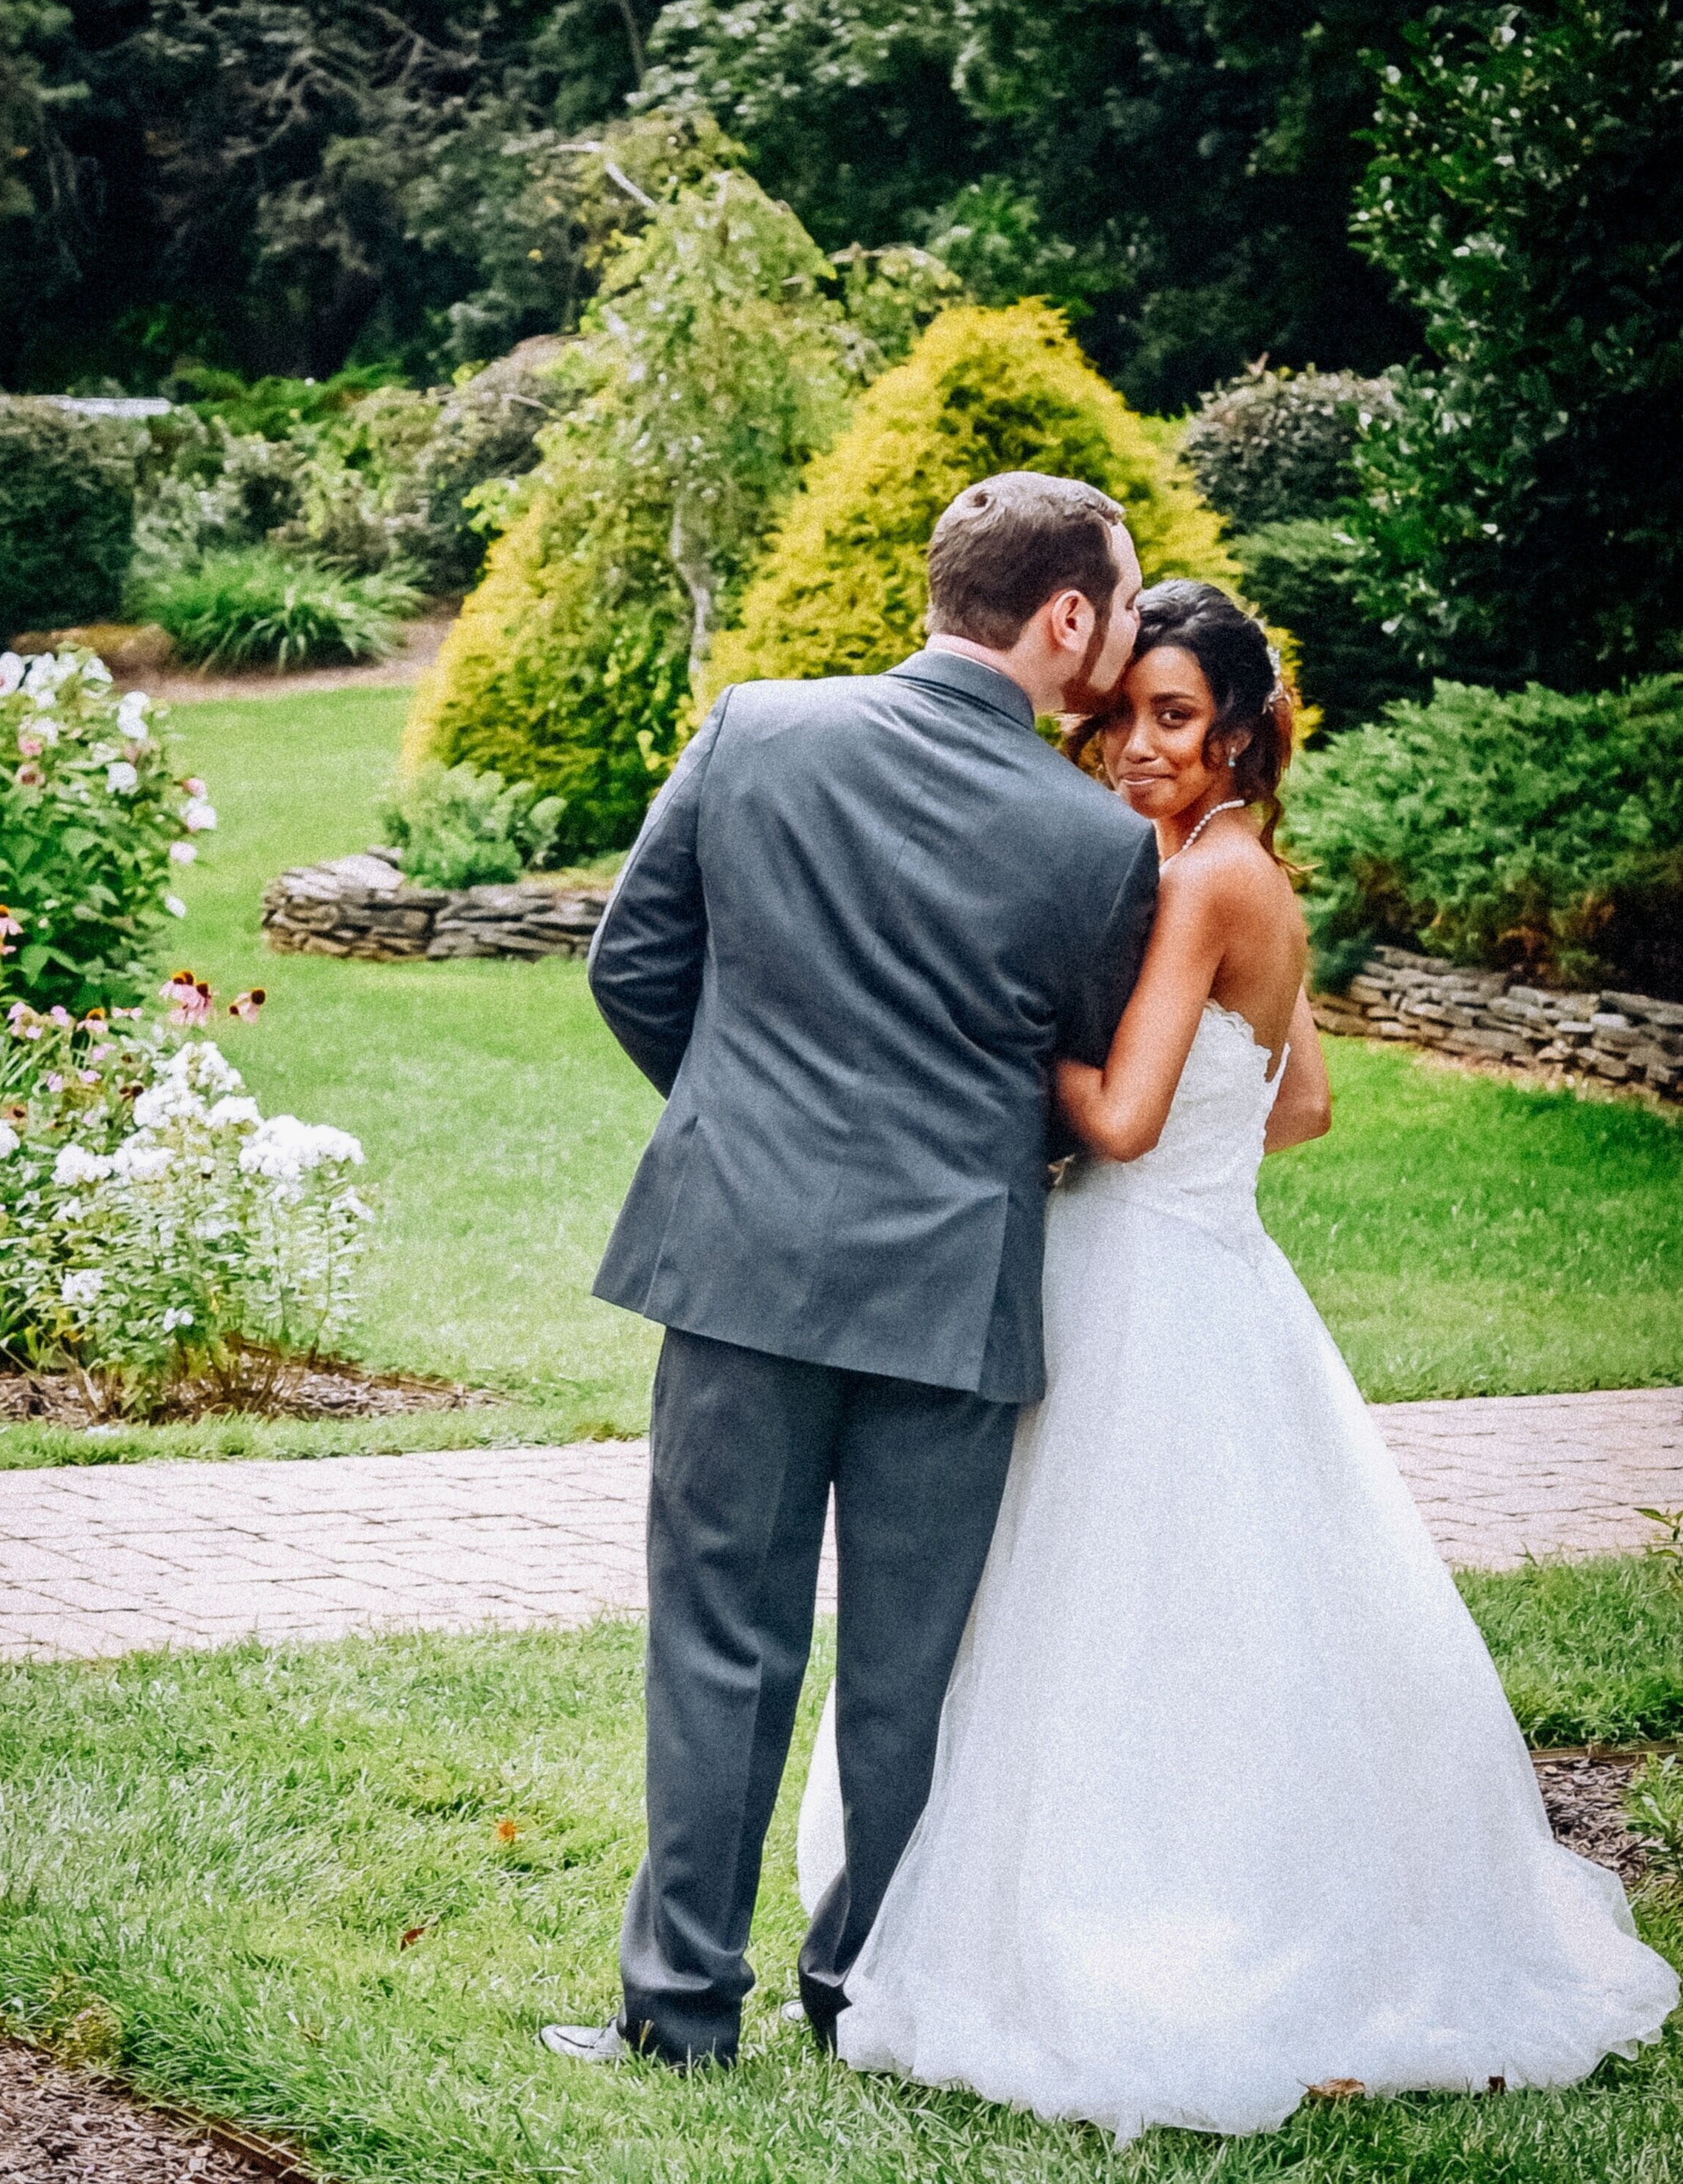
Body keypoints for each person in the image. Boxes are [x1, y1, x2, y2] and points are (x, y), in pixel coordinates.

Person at [797, 580, 1678, 2138]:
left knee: (1106, 1610)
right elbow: (1301, 1104)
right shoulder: (1230, 866)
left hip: (1140, 1282)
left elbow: (1123, 1120)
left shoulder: (1204, 881)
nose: (1134, 744)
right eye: (1121, 713)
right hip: (1207, 1272)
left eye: (1174, 719)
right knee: (1193, 1610)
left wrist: (986, 1030)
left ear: (1244, 733)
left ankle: (1128, 1919)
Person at [542, 473, 1159, 2067]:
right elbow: (1082, 1078)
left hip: (737, 1265)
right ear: (1066, 616)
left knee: (714, 1643)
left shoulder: (756, 728)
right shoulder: (1096, 844)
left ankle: (676, 2015)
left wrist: (740, 1122)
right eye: (1126, 598)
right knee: (908, 1670)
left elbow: (633, 962)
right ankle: (865, 2002)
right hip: (950, 1292)